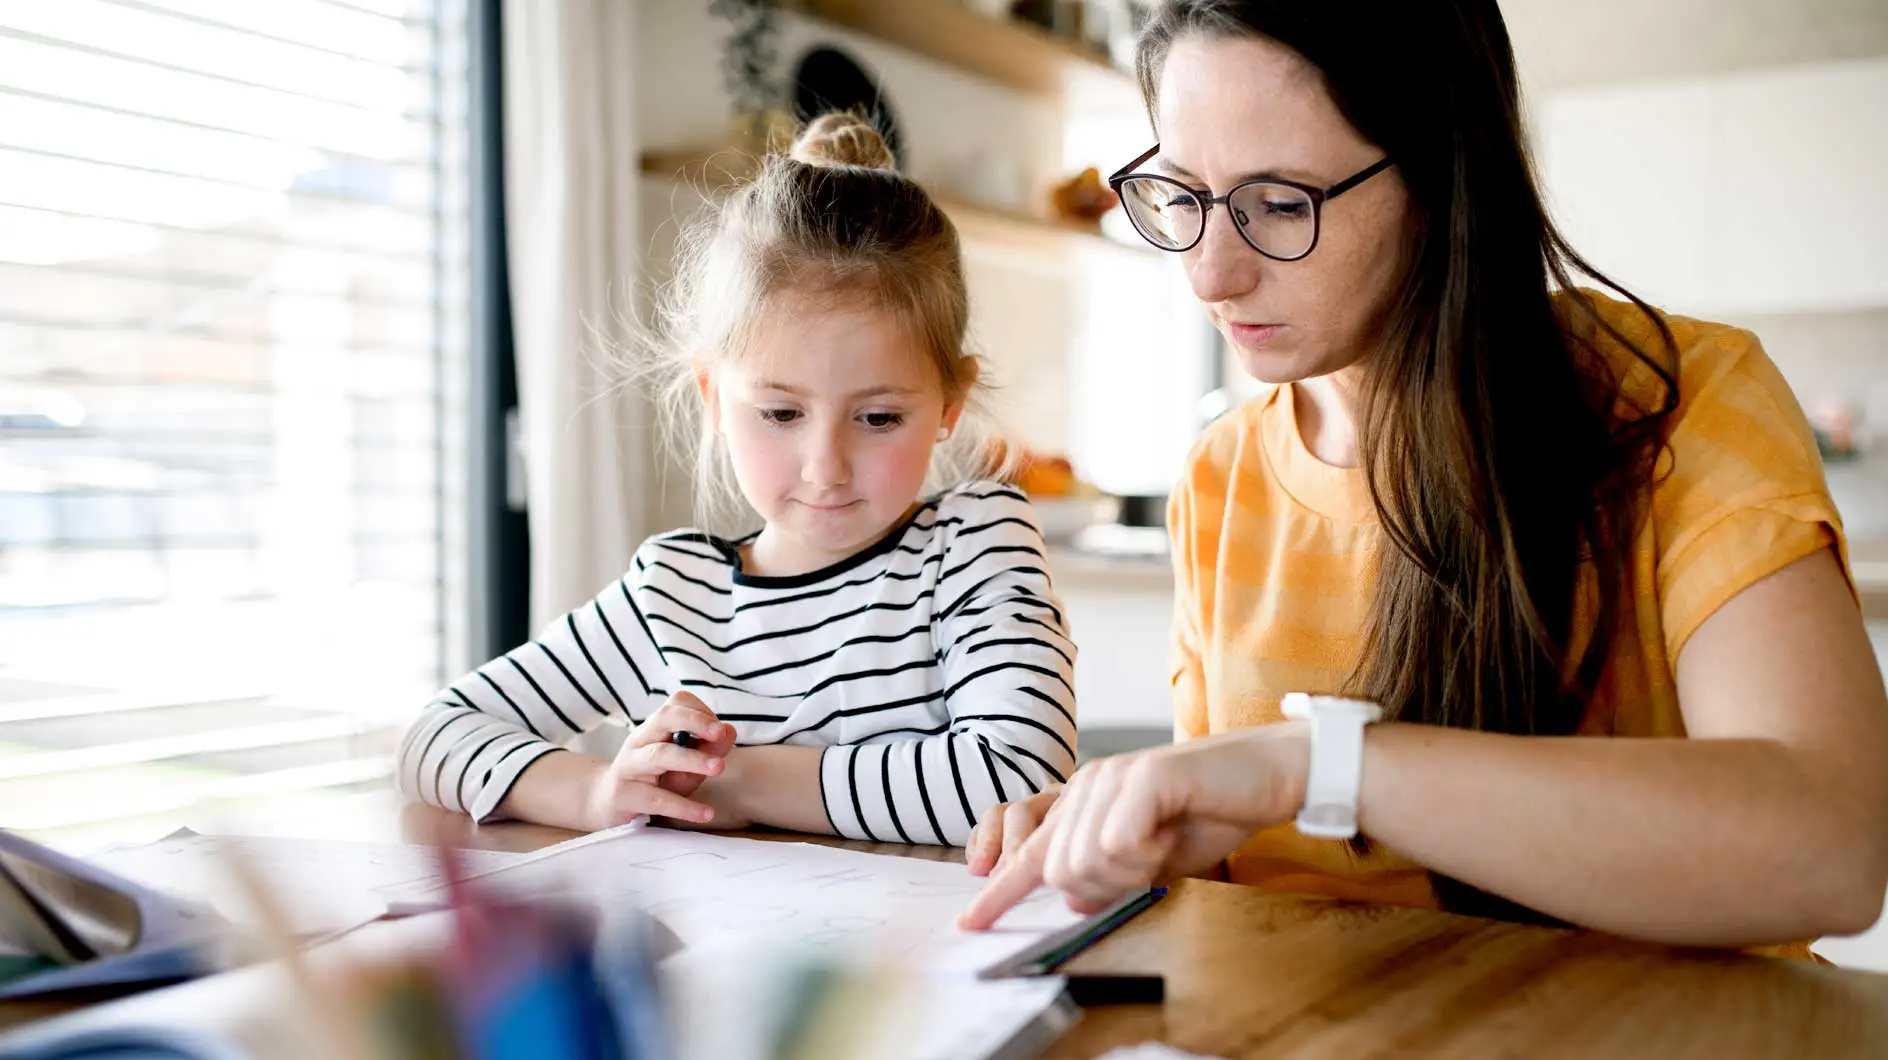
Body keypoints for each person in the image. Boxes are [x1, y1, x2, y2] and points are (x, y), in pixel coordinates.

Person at [960, 0, 1888, 956]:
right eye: (1183, 196)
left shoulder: (1685, 403)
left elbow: (1832, 849)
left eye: (1280, 203)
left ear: (1443, 178)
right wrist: (1125, 837)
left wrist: (1331, 765)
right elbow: (1243, 875)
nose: (1210, 275)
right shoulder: (1225, 471)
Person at [397, 113, 1077, 845]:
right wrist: (599, 793)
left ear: (951, 403)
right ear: (714, 397)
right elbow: (433, 739)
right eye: (781, 413)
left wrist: (742, 780)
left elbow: (1022, 778)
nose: (827, 466)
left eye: (878, 418)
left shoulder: (976, 545)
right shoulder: (671, 595)